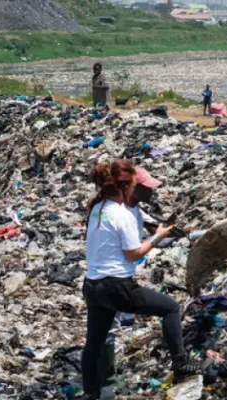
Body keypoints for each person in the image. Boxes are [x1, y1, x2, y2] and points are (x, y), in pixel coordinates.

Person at [81, 160, 200, 400]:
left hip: (93, 285)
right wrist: (157, 238)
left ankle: (90, 393)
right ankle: (180, 364)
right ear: (125, 188)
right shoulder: (121, 214)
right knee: (170, 308)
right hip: (117, 286)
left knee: (94, 342)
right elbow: (133, 253)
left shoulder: (97, 208)